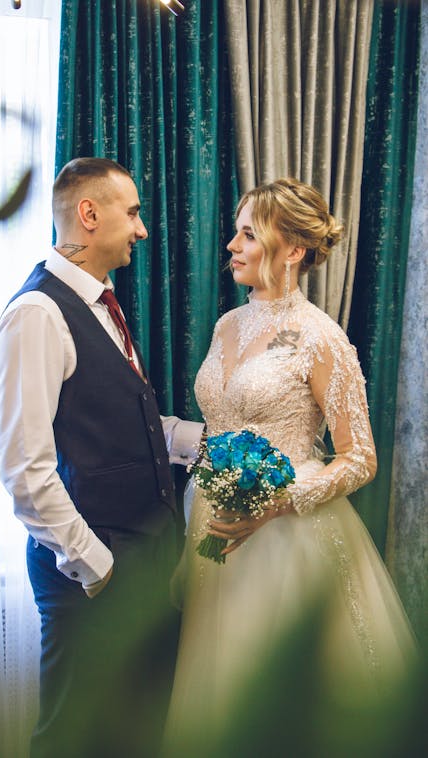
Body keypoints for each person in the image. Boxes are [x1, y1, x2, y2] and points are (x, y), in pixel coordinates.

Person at [163, 178, 417, 753]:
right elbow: (221, 422)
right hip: (214, 528)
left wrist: (283, 499)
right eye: (236, 231)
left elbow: (361, 457)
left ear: (293, 249)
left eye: (248, 233)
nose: (231, 244)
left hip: (287, 537)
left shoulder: (321, 338)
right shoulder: (226, 325)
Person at [0, 157, 203, 757]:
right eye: (132, 212)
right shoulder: (37, 313)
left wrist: (201, 441)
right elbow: (25, 469)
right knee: (73, 740)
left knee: (133, 737)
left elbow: (115, 424)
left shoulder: (98, 304)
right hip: (93, 575)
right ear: (89, 214)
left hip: (144, 560)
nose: (142, 229)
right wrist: (100, 569)